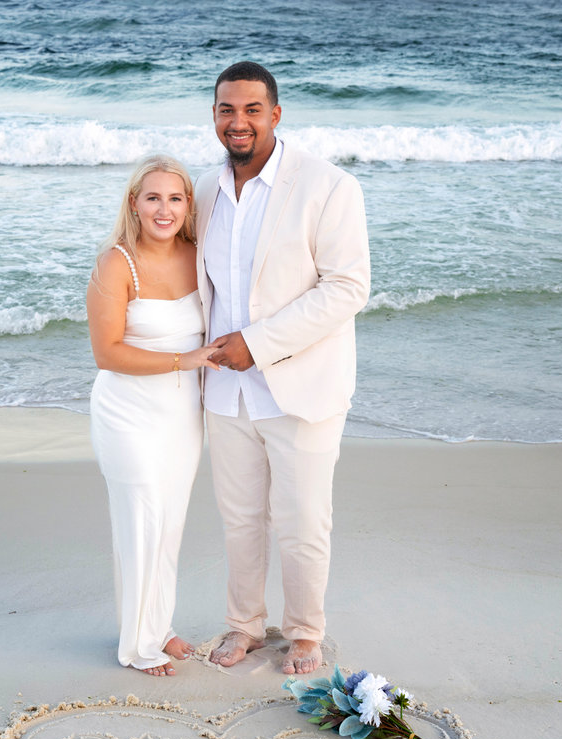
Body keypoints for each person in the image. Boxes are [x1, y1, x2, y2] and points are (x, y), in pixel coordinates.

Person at [198, 62, 371, 675]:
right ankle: (243, 624)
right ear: (214, 116)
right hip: (225, 392)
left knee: (302, 522)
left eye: (250, 109)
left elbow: (347, 287)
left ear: (275, 114)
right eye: (226, 109)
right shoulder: (205, 190)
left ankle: (303, 633)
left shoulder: (327, 186)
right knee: (240, 519)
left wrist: (258, 343)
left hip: (300, 386)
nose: (237, 121)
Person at [87, 155, 220, 676]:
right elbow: (108, 352)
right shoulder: (116, 263)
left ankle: (159, 626)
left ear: (189, 205)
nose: (164, 209)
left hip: (182, 410)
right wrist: (182, 360)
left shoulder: (197, 253)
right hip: (128, 410)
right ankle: (138, 646)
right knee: (140, 518)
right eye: (153, 198)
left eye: (175, 198)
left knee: (170, 521)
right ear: (134, 203)